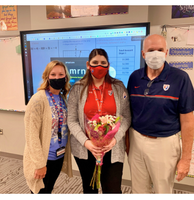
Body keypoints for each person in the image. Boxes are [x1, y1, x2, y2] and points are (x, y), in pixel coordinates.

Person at [127, 34, 194, 194]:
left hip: (164, 144)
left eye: (160, 50)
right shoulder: (134, 78)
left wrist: (186, 159)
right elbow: (129, 113)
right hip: (136, 141)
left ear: (166, 52)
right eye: (151, 50)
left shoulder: (180, 78)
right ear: (143, 54)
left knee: (163, 191)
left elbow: (188, 121)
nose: (156, 53)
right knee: (138, 190)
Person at [67, 49, 130, 193]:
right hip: (85, 149)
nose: (99, 66)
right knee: (90, 190)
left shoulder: (118, 87)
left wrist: (114, 140)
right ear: (88, 65)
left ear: (108, 65)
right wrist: (86, 142)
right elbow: (72, 120)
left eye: (103, 63)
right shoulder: (77, 88)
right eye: (95, 63)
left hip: (112, 148)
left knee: (113, 190)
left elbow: (126, 117)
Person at [23, 60, 74, 194]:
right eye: (53, 74)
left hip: (58, 156)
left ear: (65, 77)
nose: (57, 78)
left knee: (48, 188)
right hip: (44, 158)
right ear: (47, 77)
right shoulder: (37, 99)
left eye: (60, 74)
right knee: (40, 191)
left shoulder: (63, 98)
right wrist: (40, 164)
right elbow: (31, 135)